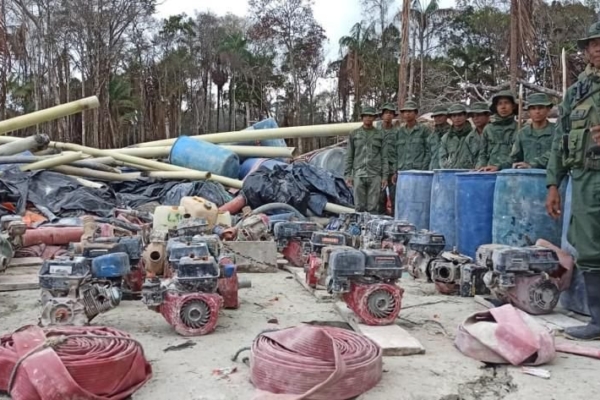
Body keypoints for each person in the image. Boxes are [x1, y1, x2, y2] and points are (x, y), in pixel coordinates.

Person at [546, 22, 600, 341]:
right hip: (585, 180)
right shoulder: (576, 92)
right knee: (590, 249)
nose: (597, 48)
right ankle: (598, 321)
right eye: (592, 44)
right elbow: (560, 139)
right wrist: (554, 184)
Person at [344, 106, 388, 213]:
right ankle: (359, 228)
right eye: (366, 116)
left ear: (374, 118)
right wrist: (348, 175)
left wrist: (384, 176)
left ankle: (371, 228)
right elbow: (349, 156)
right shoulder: (354, 134)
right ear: (362, 118)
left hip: (375, 175)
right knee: (359, 207)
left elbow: (384, 157)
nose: (368, 118)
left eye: (371, 116)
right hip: (359, 174)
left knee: (373, 207)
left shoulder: (380, 134)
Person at [510, 93, 555, 169]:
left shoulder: (557, 131)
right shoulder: (522, 133)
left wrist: (533, 164)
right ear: (529, 111)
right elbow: (514, 157)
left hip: (552, 176)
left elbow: (556, 153)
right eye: (533, 108)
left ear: (548, 109)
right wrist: (498, 166)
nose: (537, 111)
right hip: (529, 176)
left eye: (540, 108)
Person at [476, 90, 518, 171]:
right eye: (500, 104)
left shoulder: (520, 128)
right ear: (496, 107)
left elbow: (518, 155)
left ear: (513, 106)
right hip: (489, 171)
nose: (503, 107)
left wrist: (500, 167)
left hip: (511, 173)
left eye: (506, 103)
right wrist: (481, 167)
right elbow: (482, 153)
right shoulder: (488, 129)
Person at [392, 100, 431, 184]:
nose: (407, 114)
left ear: (415, 113)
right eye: (405, 112)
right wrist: (395, 171)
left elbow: (428, 151)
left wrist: (423, 170)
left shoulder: (423, 130)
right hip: (402, 172)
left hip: (418, 172)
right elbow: (395, 154)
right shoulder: (399, 132)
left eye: (410, 111)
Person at [378, 103, 399, 215]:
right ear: (382, 115)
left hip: (392, 170)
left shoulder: (397, 132)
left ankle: (395, 220)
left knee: (394, 196)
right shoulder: (375, 131)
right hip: (379, 170)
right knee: (380, 198)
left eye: (391, 113)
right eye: (386, 113)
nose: (388, 115)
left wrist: (396, 170)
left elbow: (399, 152)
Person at [438, 104, 473, 169]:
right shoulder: (446, 137)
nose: (457, 118)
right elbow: (442, 157)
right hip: (451, 173)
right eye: (454, 116)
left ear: (465, 116)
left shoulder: (473, 135)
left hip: (469, 173)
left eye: (460, 115)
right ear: (450, 118)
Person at [462, 102, 492, 168]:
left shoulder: (495, 133)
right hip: (476, 173)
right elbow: (466, 160)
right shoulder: (470, 138)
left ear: (487, 116)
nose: (475, 118)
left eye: (479, 115)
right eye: (473, 116)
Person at [429, 105, 450, 169]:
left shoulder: (451, 134)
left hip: (447, 170)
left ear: (446, 116)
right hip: (433, 169)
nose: (438, 118)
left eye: (440, 116)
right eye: (435, 116)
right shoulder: (432, 135)